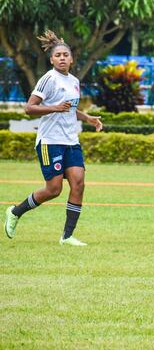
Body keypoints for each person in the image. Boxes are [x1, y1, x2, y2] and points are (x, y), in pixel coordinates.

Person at [4, 30, 103, 246]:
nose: (62, 58)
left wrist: (88, 118)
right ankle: (15, 212)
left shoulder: (74, 81)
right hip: (50, 141)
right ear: (51, 59)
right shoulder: (48, 79)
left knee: (78, 183)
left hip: (71, 141)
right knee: (54, 190)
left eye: (65, 55)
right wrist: (54, 108)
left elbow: (69, 109)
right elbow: (29, 108)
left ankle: (67, 237)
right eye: (58, 55)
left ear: (71, 58)